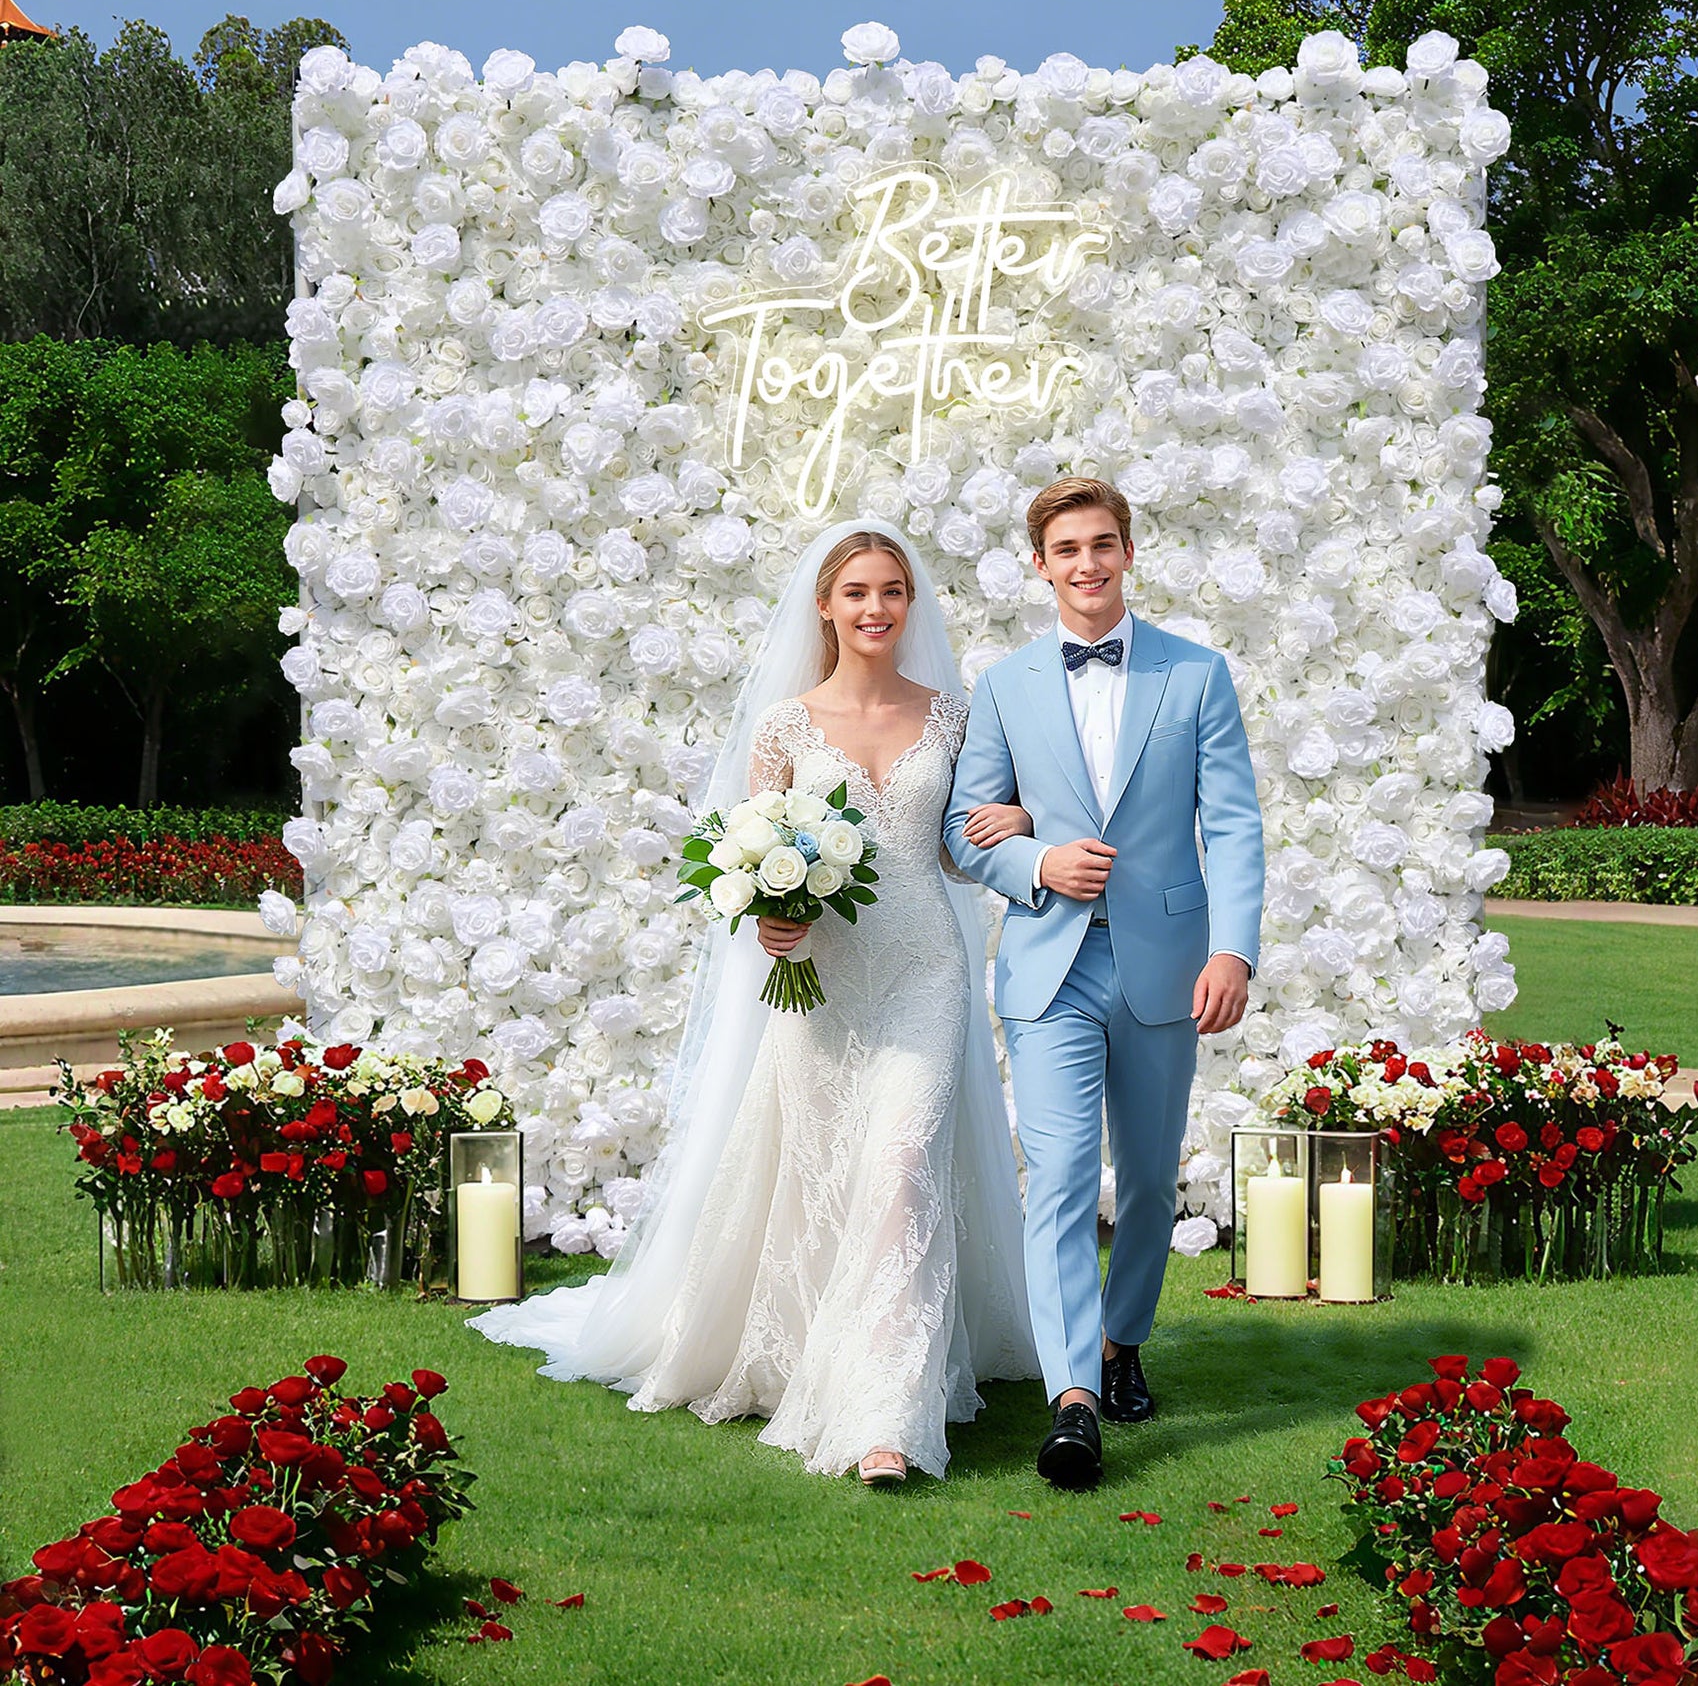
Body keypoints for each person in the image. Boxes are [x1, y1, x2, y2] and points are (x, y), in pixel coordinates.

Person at [469, 519, 1040, 1483]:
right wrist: (771, 920)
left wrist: (1012, 818)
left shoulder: (955, 713)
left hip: (923, 974)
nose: (874, 609)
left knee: (900, 1172)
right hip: (818, 982)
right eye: (856, 592)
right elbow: (749, 859)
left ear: (911, 605)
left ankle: (883, 1417)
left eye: (891, 592)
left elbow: (954, 849)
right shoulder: (783, 726)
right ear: (825, 605)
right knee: (827, 1178)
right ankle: (810, 1354)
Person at [943, 476, 1265, 1490]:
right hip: (1049, 970)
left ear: (1126, 552)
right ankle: (1072, 1394)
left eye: (1103, 544)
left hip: (1168, 963)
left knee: (1150, 1170)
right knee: (1063, 1174)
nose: (1086, 563)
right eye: (1067, 548)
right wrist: (1038, 861)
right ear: (1038, 564)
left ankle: (1124, 1341)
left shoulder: (1196, 673)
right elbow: (960, 831)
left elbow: (1234, 824)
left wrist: (1234, 950)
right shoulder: (1003, 685)